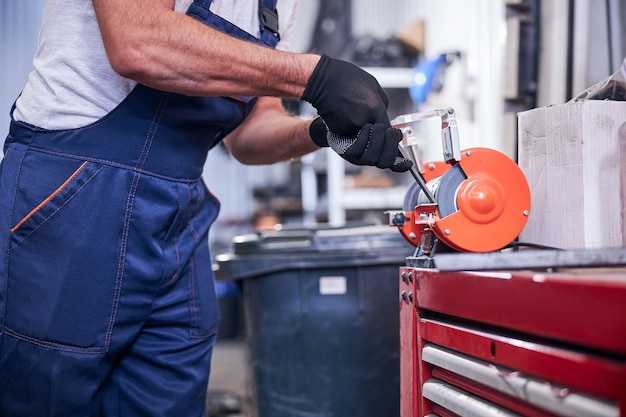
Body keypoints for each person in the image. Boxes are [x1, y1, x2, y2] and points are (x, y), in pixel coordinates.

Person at [0, 0, 412, 416]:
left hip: (179, 214)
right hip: (77, 194)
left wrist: (320, 132)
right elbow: (138, 41)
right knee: (47, 391)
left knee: (168, 396)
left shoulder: (279, 5)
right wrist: (312, 76)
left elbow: (249, 133)